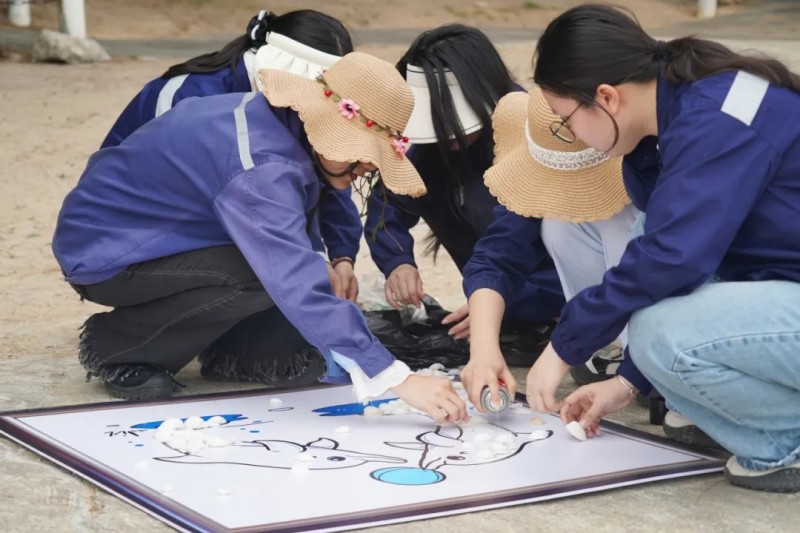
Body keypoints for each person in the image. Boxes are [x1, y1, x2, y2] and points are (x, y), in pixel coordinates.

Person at [52, 51, 469, 426]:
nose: (366, 168)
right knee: (258, 273)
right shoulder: (262, 169)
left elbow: (323, 194)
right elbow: (289, 275)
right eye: (364, 155)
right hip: (108, 250)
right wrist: (395, 377)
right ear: (327, 129)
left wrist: (335, 256)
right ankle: (121, 346)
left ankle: (229, 351)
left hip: (170, 237)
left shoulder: (285, 125)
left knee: (291, 339)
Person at [525, 4, 800, 492]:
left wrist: (562, 347)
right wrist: (627, 382)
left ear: (606, 97)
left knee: (658, 332)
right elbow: (683, 252)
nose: (575, 137)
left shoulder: (717, 119)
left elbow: (674, 258)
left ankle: (786, 441)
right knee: (656, 333)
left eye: (567, 120)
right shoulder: (684, 111)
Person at [101, 9, 363, 299]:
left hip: (209, 221)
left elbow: (325, 168)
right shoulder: (190, 95)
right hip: (137, 235)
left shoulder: (293, 106)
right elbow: (235, 199)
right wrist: (308, 255)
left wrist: (341, 256)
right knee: (272, 275)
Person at [364, 24, 564, 361]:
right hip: (492, 292)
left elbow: (534, 248)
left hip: (552, 293)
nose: (448, 136)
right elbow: (388, 200)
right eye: (436, 124)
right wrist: (396, 261)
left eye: (452, 124)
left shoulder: (535, 140)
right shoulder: (429, 147)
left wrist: (497, 301)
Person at [460, 86, 634, 413]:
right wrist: (483, 350)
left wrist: (565, 347)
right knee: (558, 223)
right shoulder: (550, 162)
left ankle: (645, 355)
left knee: (617, 225)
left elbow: (657, 268)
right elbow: (499, 254)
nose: (562, 191)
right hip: (605, 312)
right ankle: (611, 343)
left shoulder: (652, 170)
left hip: (676, 310)